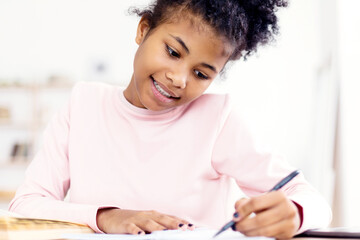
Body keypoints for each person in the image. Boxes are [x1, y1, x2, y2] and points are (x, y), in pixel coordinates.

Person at [9, 0, 332, 239]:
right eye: (174, 52)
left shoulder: (217, 119)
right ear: (143, 29)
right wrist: (108, 217)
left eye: (201, 73)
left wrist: (295, 213)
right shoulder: (83, 104)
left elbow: (312, 200)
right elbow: (25, 204)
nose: (179, 79)